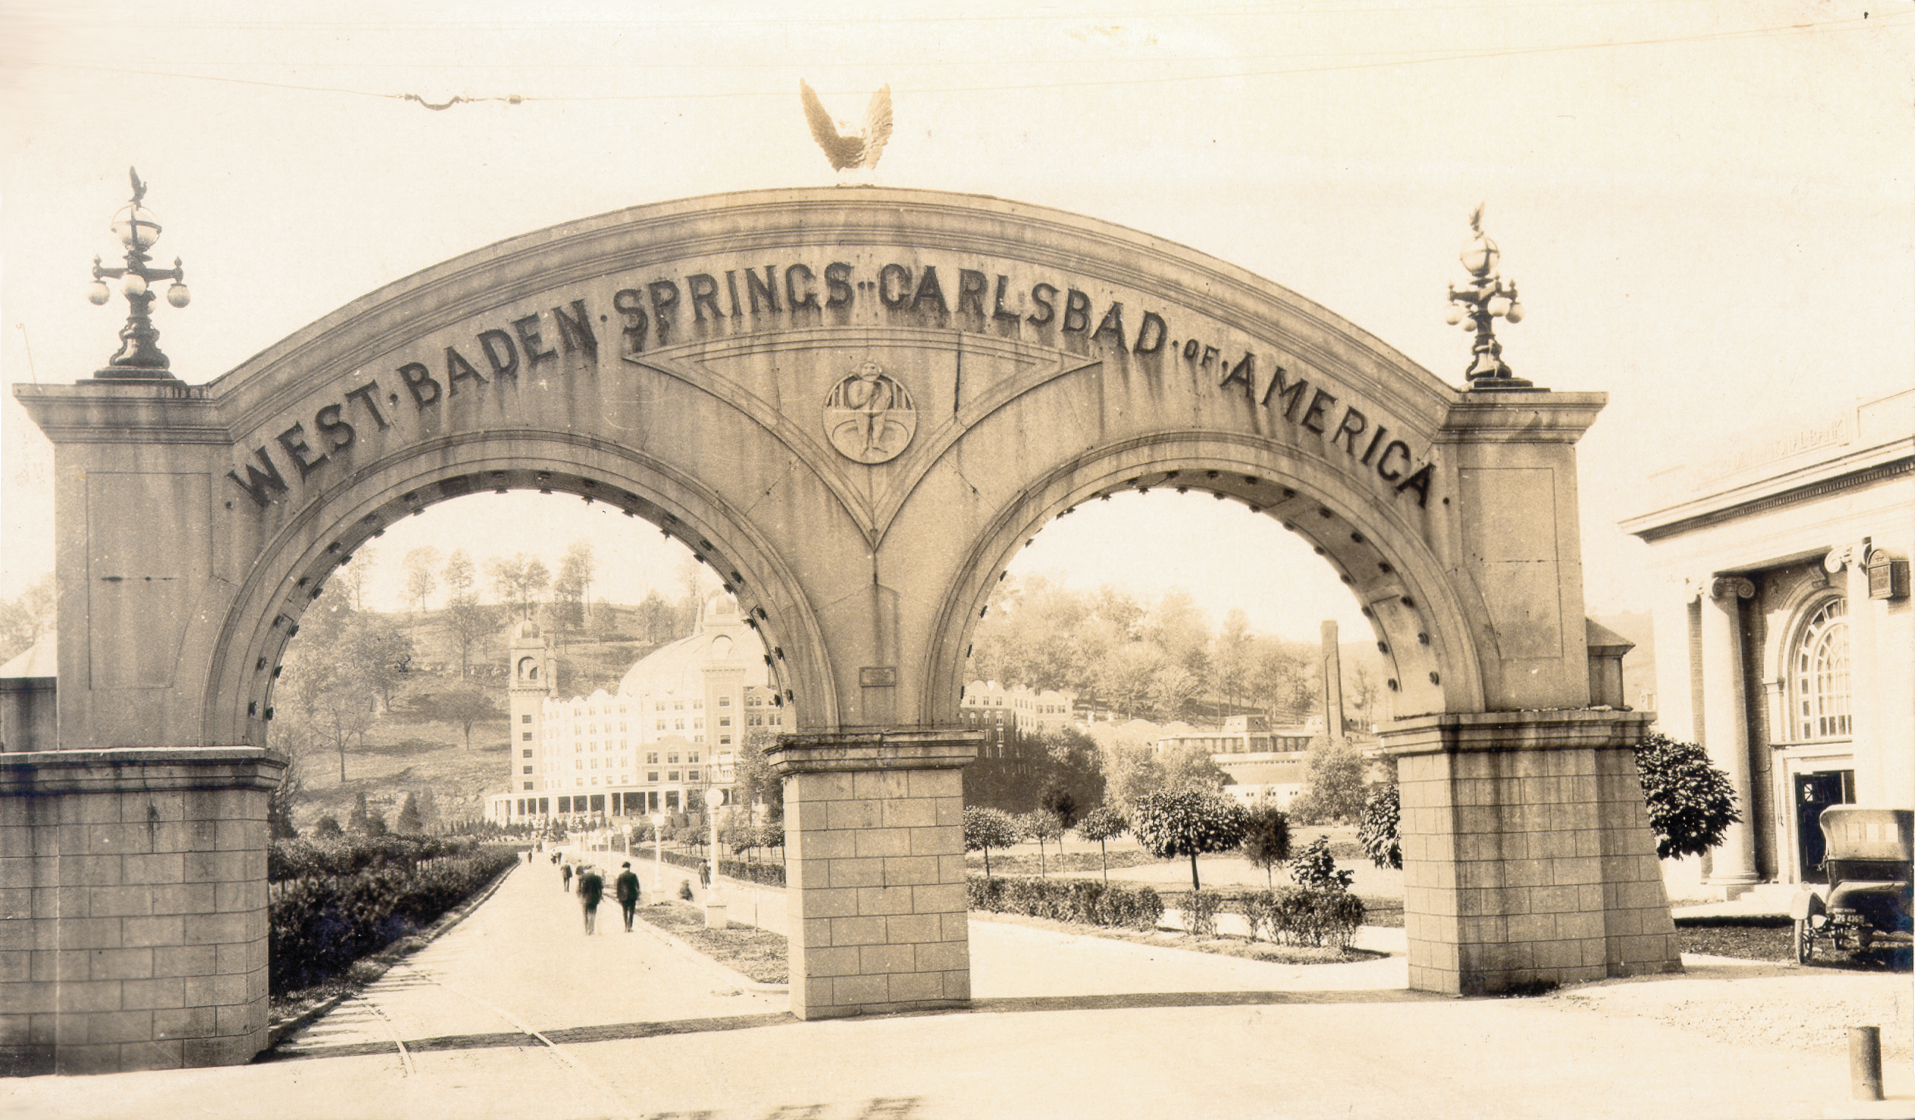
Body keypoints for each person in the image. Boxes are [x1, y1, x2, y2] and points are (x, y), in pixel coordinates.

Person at [576, 864, 605, 934]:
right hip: (594, 898)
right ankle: (591, 930)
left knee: (585, 914)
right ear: (591, 869)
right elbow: (600, 889)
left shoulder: (582, 877)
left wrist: (579, 896)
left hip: (584, 898)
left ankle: (586, 929)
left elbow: (578, 889)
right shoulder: (597, 878)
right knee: (592, 913)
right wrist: (601, 896)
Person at [614, 861, 641, 931]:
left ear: (623, 868)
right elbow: (637, 886)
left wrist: (618, 896)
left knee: (625, 911)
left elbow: (618, 887)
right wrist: (638, 895)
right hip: (632, 896)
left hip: (623, 896)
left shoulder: (621, 876)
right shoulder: (633, 875)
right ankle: (630, 926)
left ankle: (626, 926)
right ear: (629, 867)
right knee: (631, 911)